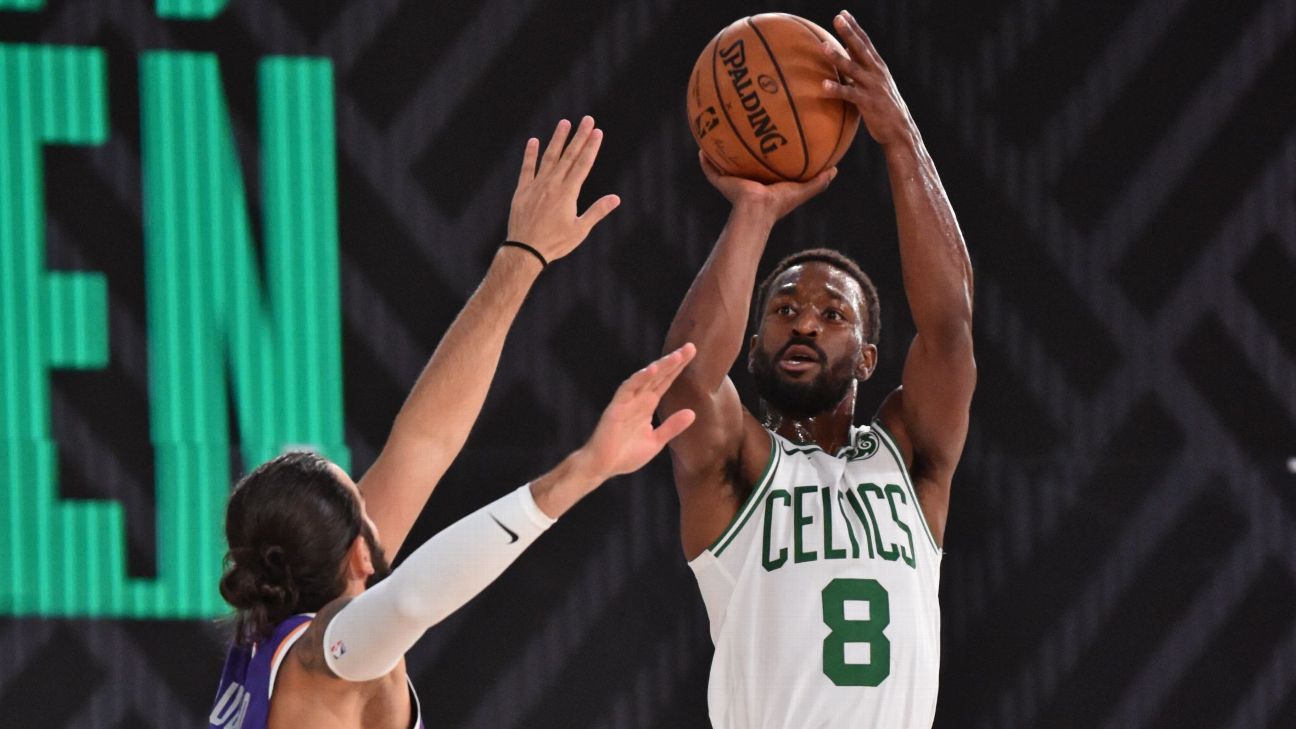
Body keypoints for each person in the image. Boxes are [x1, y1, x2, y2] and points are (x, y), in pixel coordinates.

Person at [208, 116, 698, 729]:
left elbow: (425, 442)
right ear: (361, 552)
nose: (376, 500)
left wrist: (524, 256)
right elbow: (410, 598)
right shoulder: (330, 653)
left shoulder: (275, 640)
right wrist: (583, 471)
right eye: (361, 502)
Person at [657, 11, 976, 728]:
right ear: (752, 338)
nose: (803, 319)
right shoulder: (735, 463)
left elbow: (950, 327)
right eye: (783, 308)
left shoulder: (910, 456)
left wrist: (900, 140)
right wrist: (756, 212)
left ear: (869, 357)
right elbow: (685, 381)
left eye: (833, 314)